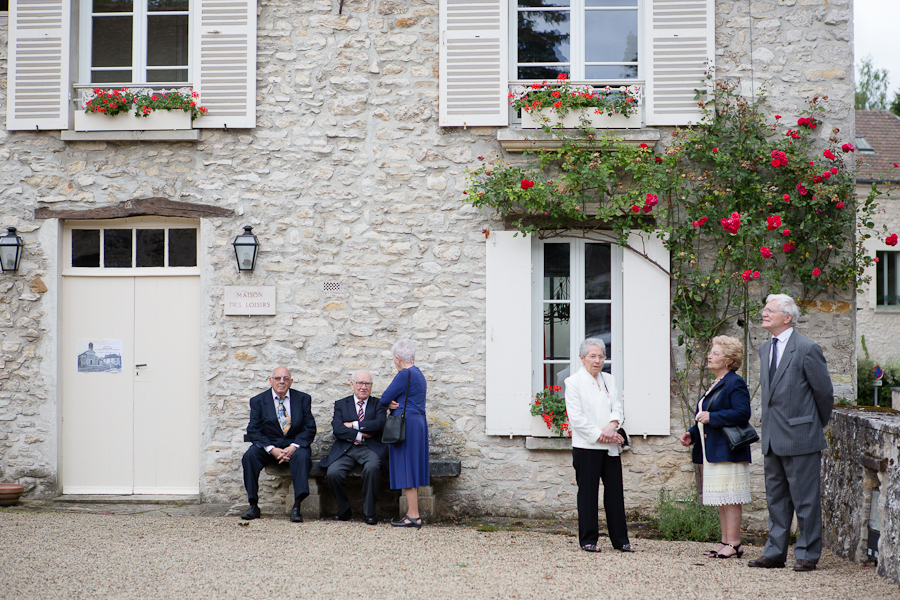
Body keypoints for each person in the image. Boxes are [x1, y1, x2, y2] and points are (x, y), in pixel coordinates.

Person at [749, 294, 833, 572]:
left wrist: (815, 424)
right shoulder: (764, 349)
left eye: (769, 310)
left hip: (801, 436)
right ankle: (774, 552)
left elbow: (823, 392)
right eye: (764, 309)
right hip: (773, 437)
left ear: (787, 317)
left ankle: (808, 553)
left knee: (806, 500)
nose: (763, 313)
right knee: (776, 500)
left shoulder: (808, 348)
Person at [679, 335, 752, 559]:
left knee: (730, 497)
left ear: (729, 360)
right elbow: (704, 416)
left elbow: (743, 413)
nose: (710, 356)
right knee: (722, 498)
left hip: (728, 449)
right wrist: (692, 433)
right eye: (711, 352)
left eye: (716, 353)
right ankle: (725, 541)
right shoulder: (717, 383)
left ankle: (735, 543)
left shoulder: (734, 382)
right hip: (714, 450)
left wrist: (713, 416)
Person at [565, 337, 633, 553]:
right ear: (582, 358)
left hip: (610, 446)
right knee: (587, 494)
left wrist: (613, 427)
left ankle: (621, 540)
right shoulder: (573, 382)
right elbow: (576, 419)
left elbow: (618, 408)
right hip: (587, 447)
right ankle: (588, 540)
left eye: (600, 356)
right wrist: (603, 435)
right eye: (592, 356)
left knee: (614, 493)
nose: (597, 360)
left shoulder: (609, 380)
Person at [241, 367, 316, 522]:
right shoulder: (258, 401)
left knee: (302, 456)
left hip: (293, 446)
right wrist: (271, 449)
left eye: (286, 378)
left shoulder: (303, 399)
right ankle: (253, 505)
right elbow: (253, 430)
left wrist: (294, 446)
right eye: (278, 378)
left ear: (291, 381)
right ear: (271, 380)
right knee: (249, 456)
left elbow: (310, 427)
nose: (282, 381)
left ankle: (297, 506)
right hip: (270, 446)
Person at [319, 371, 388, 525]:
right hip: (346, 449)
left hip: (370, 448)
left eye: (367, 384)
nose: (363, 387)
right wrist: (361, 434)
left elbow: (379, 425)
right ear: (352, 384)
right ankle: (344, 511)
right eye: (360, 383)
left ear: (371, 386)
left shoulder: (379, 404)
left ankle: (369, 513)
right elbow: (337, 429)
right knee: (333, 473)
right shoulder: (341, 404)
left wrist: (353, 425)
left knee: (372, 468)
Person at [380, 339, 429, 528]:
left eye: (394, 359)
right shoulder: (419, 374)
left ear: (398, 358)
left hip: (405, 424)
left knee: (407, 467)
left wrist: (390, 402)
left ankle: (414, 516)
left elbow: (384, 398)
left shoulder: (404, 374)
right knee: (412, 466)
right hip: (417, 422)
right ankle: (411, 512)